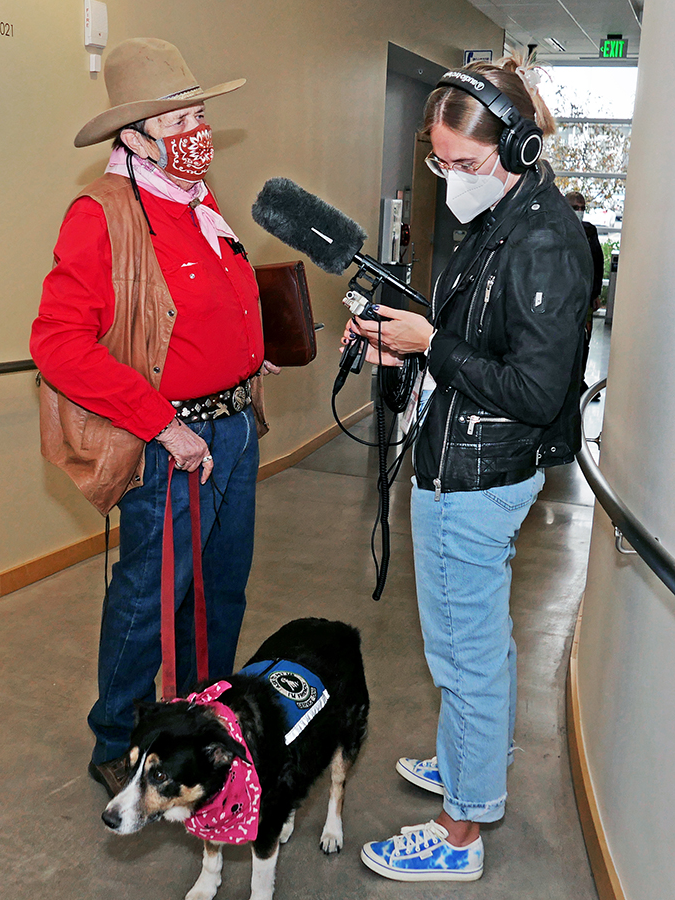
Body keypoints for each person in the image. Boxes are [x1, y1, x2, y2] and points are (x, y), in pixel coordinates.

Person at [343, 59, 591, 881]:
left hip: (477, 477)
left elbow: (533, 388)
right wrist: (404, 343)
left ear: (516, 146)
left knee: (465, 658)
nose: (451, 179)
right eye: (440, 163)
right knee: (477, 647)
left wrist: (429, 344)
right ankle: (469, 766)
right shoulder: (499, 218)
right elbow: (480, 346)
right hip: (458, 455)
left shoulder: (544, 237)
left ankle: (460, 832)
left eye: (465, 163)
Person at [30, 38, 278, 798]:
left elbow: (191, 309)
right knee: (149, 595)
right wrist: (160, 423)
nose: (197, 130)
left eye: (200, 112)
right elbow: (57, 343)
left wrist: (243, 354)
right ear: (132, 136)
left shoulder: (195, 202)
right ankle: (119, 737)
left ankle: (201, 722)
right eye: (179, 119)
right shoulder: (103, 213)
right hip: (173, 440)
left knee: (222, 588)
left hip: (232, 430)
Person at [564, 190, 605, 396]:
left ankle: (580, 380)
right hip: (563, 297)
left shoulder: (589, 232)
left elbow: (597, 263)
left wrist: (595, 293)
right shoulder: (558, 228)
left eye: (582, 208)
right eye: (574, 207)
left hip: (585, 296)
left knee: (584, 339)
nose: (579, 212)